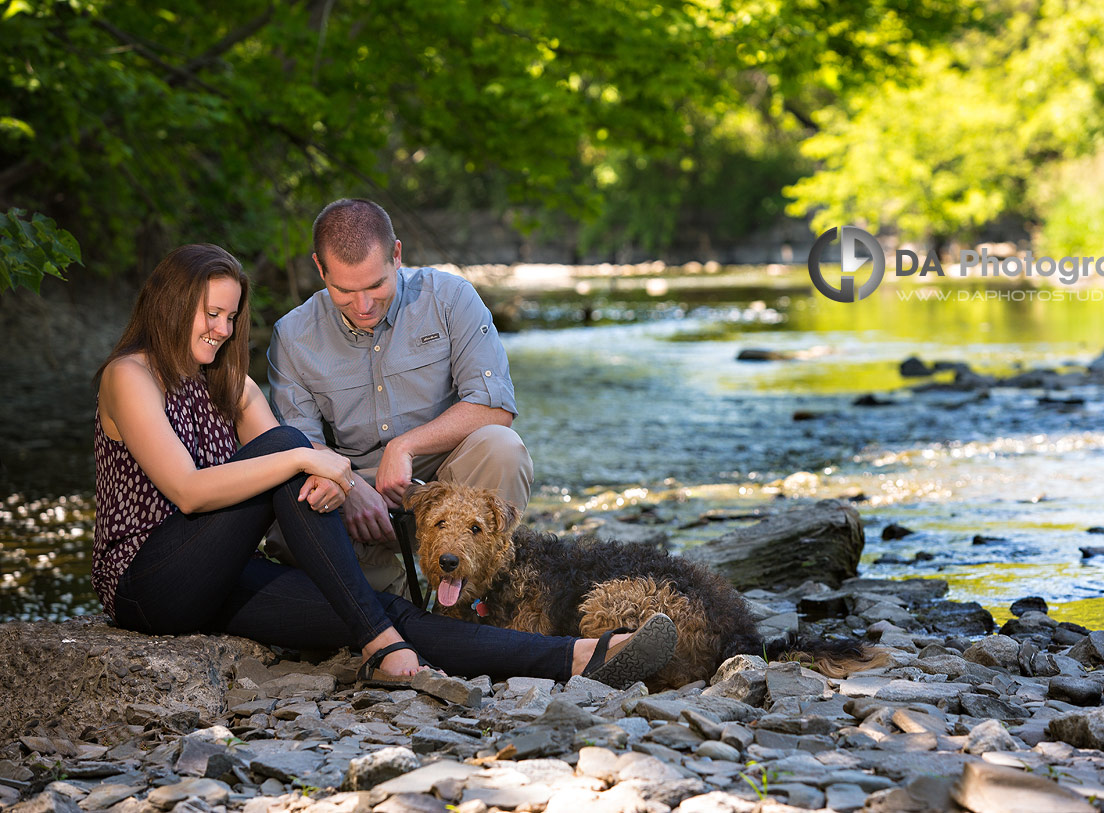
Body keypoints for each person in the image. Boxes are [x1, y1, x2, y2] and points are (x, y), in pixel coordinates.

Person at [91, 243, 676, 688]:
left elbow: (300, 472)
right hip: (149, 584)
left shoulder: (231, 386)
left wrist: (320, 471)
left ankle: (579, 657)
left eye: (230, 318)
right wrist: (308, 458)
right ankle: (380, 642)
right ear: (170, 304)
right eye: (210, 315)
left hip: (221, 576)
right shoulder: (130, 375)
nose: (222, 331)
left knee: (377, 611)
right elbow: (189, 491)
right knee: (291, 449)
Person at [268, 199, 529, 594]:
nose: (364, 305)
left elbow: (494, 407)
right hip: (354, 495)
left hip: (444, 485)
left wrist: (405, 446)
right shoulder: (292, 335)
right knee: (288, 521)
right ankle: (399, 601)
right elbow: (299, 446)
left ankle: (480, 598)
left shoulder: (450, 298)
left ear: (397, 256)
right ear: (320, 270)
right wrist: (349, 487)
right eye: (344, 290)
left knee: (503, 447)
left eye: (376, 285)